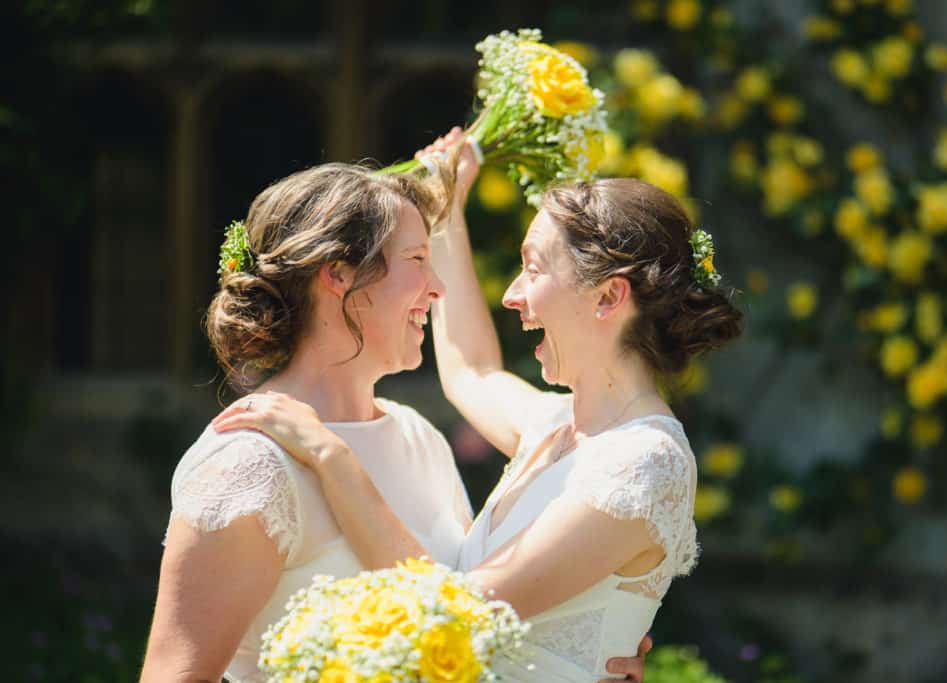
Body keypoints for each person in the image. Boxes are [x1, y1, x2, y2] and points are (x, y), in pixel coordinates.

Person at [214, 130, 743, 681]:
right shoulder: (555, 423)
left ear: (609, 296)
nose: (512, 294)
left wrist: (330, 455)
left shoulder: (643, 464)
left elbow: (452, 616)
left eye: (534, 269)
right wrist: (447, 206)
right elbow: (472, 370)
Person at [139, 159, 650, 683]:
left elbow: (467, 621)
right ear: (338, 273)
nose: (437, 288)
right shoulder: (247, 463)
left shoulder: (418, 438)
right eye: (417, 259)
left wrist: (579, 653)